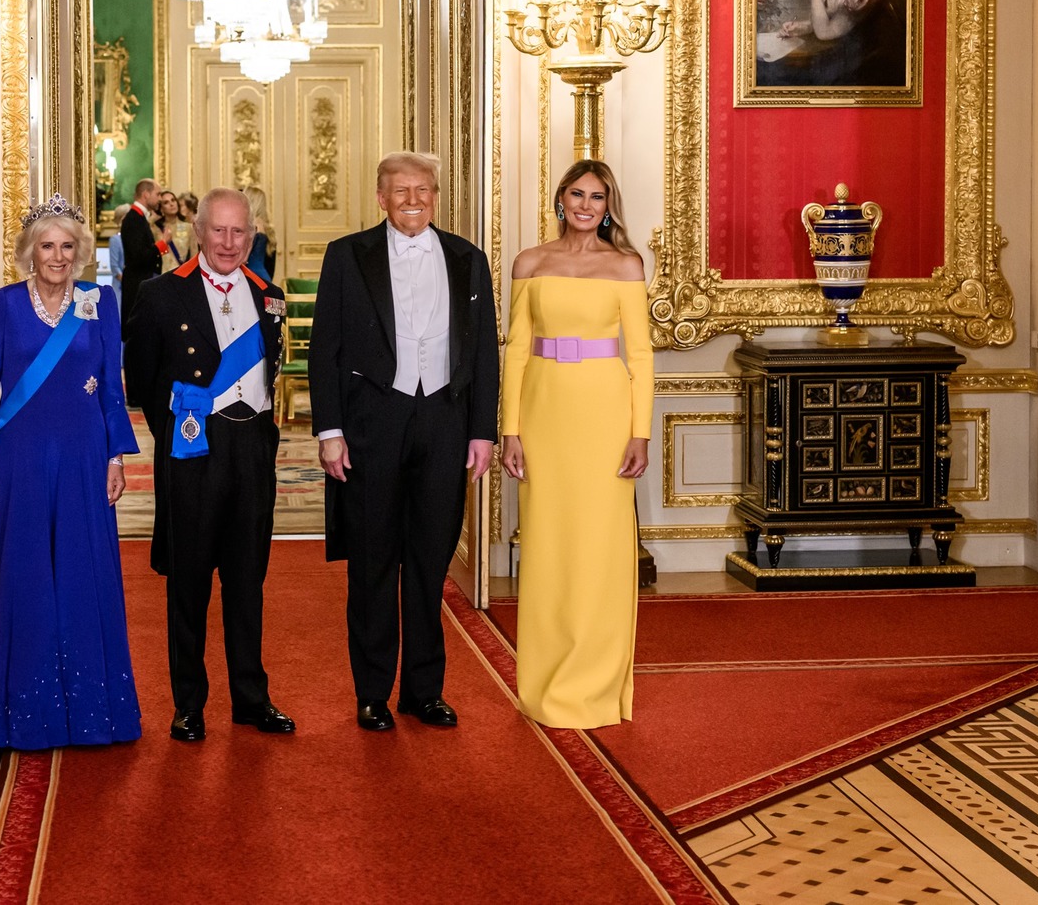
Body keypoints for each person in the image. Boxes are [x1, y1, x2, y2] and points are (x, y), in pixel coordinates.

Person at [311, 152, 499, 732]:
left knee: (428, 563)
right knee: (372, 564)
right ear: (381, 197)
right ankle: (372, 694)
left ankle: (424, 690)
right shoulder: (347, 256)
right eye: (400, 191)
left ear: (435, 196)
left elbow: (485, 350)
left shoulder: (469, 258)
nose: (412, 200)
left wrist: (482, 431)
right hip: (373, 423)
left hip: (444, 420)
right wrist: (331, 431)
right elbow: (326, 348)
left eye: (422, 190)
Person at [0, 192, 140, 750]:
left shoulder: (99, 301)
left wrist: (115, 457)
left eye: (67, 247)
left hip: (85, 456)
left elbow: (112, 386)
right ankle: (18, 715)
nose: (58, 257)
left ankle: (93, 713)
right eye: (47, 247)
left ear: (80, 251)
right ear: (29, 252)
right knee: (25, 576)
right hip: (21, 459)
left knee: (84, 574)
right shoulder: (3, 303)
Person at [123, 187, 292, 742]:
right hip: (193, 448)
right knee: (190, 582)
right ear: (199, 231)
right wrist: (181, 425)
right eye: (217, 230)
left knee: (248, 579)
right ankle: (189, 704)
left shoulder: (270, 296)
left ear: (252, 233)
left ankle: (251, 697)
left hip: (252, 449)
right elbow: (144, 378)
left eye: (238, 231)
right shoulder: (161, 294)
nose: (227, 242)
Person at [500, 159, 652, 729]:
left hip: (605, 417)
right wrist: (509, 429)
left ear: (608, 205)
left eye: (598, 196)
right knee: (548, 546)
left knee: (601, 549)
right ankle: (543, 685)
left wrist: (639, 432)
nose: (587, 205)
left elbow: (639, 356)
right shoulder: (530, 262)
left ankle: (597, 685)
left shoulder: (626, 265)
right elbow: (516, 349)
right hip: (544, 415)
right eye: (577, 194)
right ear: (560, 198)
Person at [117, 178, 167, 323]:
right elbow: (139, 256)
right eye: (157, 194)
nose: (160, 199)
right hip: (137, 283)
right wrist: (162, 244)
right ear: (145, 194)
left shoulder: (140, 217)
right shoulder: (133, 219)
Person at [243, 185, 278, 281]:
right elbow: (271, 265)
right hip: (264, 276)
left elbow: (243, 259)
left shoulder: (248, 226)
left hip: (249, 277)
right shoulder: (268, 228)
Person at [170, 193, 200, 267]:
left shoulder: (197, 223)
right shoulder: (183, 223)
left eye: (181, 205)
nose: (178, 207)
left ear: (190, 207)